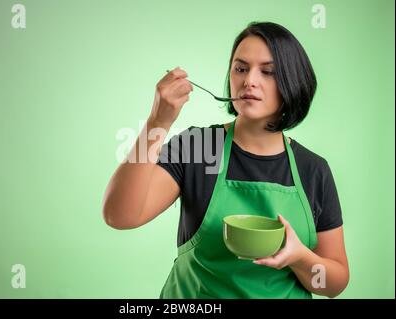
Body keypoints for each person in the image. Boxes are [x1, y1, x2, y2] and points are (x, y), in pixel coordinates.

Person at [102, 21, 349, 299]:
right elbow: (119, 215)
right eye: (240, 68)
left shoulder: (313, 169)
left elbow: (334, 285)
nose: (249, 80)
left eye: (267, 71)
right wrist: (157, 122)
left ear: (293, 82)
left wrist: (299, 258)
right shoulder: (198, 146)